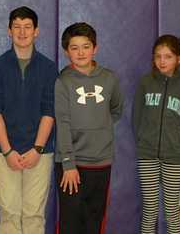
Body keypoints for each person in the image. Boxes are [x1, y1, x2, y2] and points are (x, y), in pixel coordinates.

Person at [0, 6, 57, 234]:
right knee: (9, 215)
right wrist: (7, 151)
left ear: (36, 31)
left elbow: (50, 111)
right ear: (9, 31)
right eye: (17, 27)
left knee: (34, 215)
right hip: (3, 151)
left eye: (27, 27)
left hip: (39, 151)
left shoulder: (48, 68)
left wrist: (37, 148)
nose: (22, 32)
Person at [55, 22, 123, 234]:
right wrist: (68, 164)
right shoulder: (63, 82)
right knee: (70, 223)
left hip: (101, 163)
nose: (81, 52)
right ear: (67, 52)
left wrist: (98, 130)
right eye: (74, 47)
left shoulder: (109, 78)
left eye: (86, 46)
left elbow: (116, 110)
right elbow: (62, 123)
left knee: (94, 222)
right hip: (72, 165)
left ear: (95, 48)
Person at [133, 35, 180, 234]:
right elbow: (136, 116)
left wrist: (178, 147)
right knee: (150, 209)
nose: (162, 61)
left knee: (171, 210)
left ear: (179, 59)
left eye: (168, 56)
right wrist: (143, 140)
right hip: (147, 155)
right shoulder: (145, 83)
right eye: (158, 56)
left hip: (173, 157)